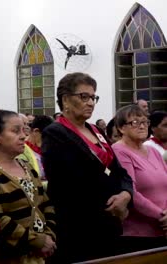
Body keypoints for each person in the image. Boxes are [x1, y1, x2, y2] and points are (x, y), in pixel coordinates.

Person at [41, 73, 133, 262]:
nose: (90, 102)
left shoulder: (96, 131)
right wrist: (113, 203)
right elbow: (72, 180)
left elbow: (119, 170)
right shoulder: (55, 133)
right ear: (66, 100)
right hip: (79, 226)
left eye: (93, 97)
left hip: (109, 224)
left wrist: (125, 194)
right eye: (84, 97)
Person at [0, 110, 56, 263]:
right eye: (15, 131)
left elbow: (46, 204)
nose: (23, 136)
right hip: (12, 257)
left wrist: (49, 236)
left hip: (42, 255)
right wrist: (36, 241)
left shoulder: (27, 166)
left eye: (24, 130)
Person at [111, 105, 167, 253]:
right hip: (140, 235)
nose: (142, 126)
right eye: (135, 122)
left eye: (145, 122)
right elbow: (130, 192)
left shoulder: (154, 151)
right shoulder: (119, 150)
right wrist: (162, 216)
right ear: (121, 128)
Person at [18, 115, 54, 181]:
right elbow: (29, 181)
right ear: (36, 131)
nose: (49, 142)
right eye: (47, 137)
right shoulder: (21, 151)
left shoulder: (48, 150)